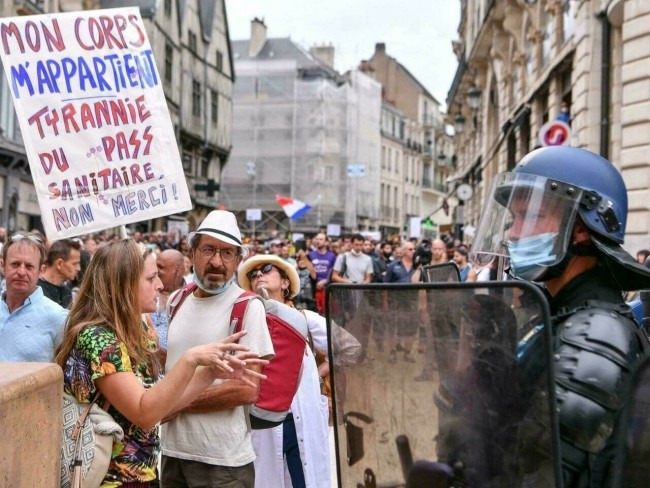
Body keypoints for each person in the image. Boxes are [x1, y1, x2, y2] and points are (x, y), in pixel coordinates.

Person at [471, 146, 650, 486]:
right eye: (514, 219)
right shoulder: (562, 312)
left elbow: (538, 473)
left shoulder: (597, 333)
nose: (513, 233)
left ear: (581, 229)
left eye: (532, 216)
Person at [55, 240, 265, 487]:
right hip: (111, 480)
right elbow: (145, 413)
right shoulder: (97, 338)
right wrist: (190, 360)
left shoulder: (135, 332)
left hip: (141, 475)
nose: (160, 285)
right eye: (151, 278)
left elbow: (163, 404)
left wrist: (210, 372)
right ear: (123, 284)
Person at [161, 210, 275, 488]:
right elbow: (172, 365)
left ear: (238, 260)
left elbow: (246, 388)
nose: (216, 262)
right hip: (172, 453)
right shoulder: (176, 301)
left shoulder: (247, 307)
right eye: (209, 250)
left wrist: (176, 404)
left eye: (227, 254)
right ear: (193, 252)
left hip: (223, 463)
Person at [239, 254, 330, 488]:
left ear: (285, 282)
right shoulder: (245, 322)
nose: (258, 274)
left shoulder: (304, 319)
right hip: (264, 422)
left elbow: (349, 348)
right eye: (253, 274)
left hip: (303, 417)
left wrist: (314, 376)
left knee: (305, 482)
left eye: (266, 269)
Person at [0, 233, 68, 362]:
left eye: (29, 266)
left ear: (41, 270)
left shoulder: (58, 318)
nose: (21, 272)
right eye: (15, 264)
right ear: (2, 265)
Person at [383, 241, 418, 363]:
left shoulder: (418, 266)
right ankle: (392, 352)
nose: (413, 251)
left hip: (412, 302)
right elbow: (385, 286)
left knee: (411, 328)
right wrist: (385, 303)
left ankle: (407, 353)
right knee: (393, 327)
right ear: (402, 252)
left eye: (414, 249)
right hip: (395, 302)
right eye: (410, 249)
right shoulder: (393, 266)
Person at [150, 249, 186, 351]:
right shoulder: (147, 291)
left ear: (177, 271)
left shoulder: (191, 297)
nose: (156, 271)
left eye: (161, 267)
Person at [38, 239, 81, 308]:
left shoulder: (67, 293)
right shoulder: (36, 291)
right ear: (59, 264)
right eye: (75, 264)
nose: (78, 268)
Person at [307, 233, 337, 314]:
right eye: (317, 239)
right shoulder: (310, 255)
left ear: (326, 242)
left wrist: (325, 281)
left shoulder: (332, 256)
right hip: (314, 287)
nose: (318, 241)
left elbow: (334, 272)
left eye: (321, 239)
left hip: (327, 287)